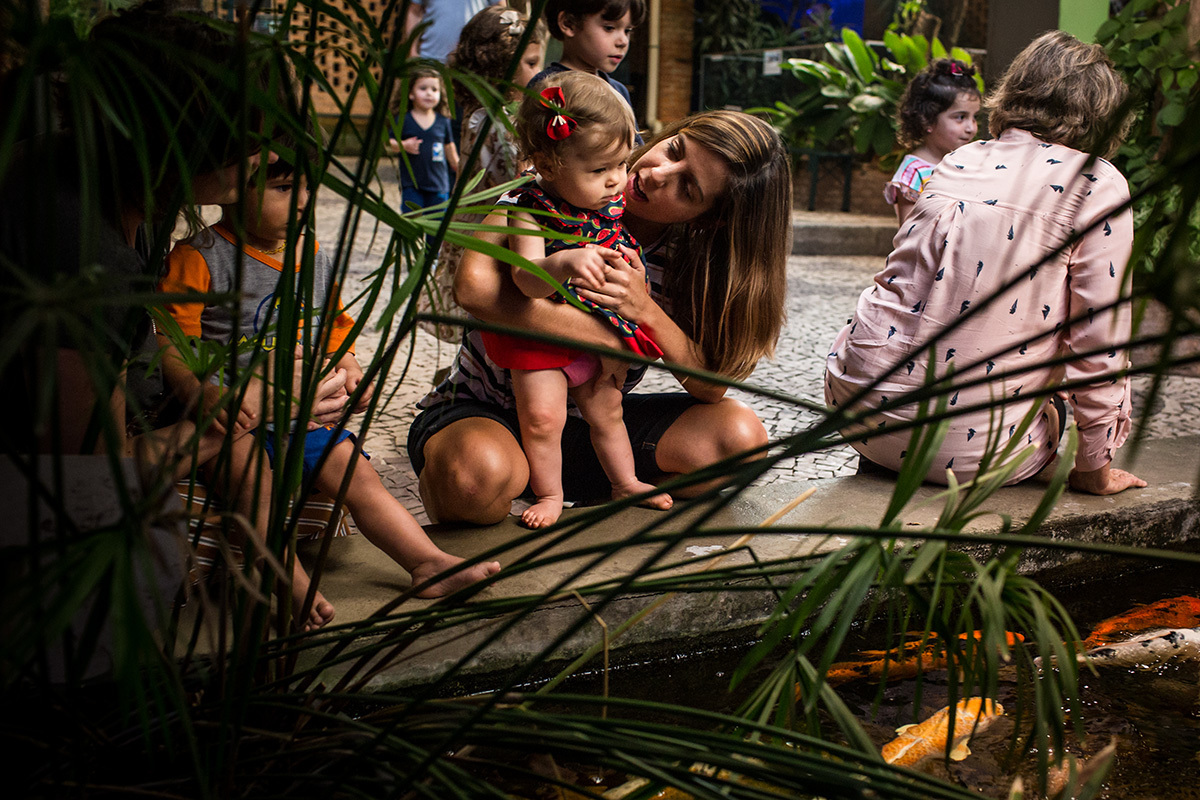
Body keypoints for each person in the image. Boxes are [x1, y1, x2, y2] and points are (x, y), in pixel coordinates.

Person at [158, 152, 501, 627]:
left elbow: (335, 325)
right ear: (235, 188)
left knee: (358, 474)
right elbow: (171, 341)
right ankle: (287, 580)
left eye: (307, 188)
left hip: (302, 413)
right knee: (253, 485)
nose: (302, 201)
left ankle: (427, 563)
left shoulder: (310, 253)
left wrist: (350, 364)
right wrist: (199, 391)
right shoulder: (199, 257)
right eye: (283, 189)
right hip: (235, 418)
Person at [408, 110, 793, 525]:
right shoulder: (553, 186)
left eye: (687, 187)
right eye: (674, 149)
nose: (657, 174)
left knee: (740, 442)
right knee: (473, 477)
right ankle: (497, 480)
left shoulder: (688, 264)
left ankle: (606, 493)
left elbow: (710, 385)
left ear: (710, 218)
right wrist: (611, 338)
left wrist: (642, 309)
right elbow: (474, 289)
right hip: (484, 408)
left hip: (590, 428)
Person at [825, 31, 1146, 497]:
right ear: (1103, 112)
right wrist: (1094, 470)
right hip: (965, 451)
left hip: (854, 410)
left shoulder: (960, 159)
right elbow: (1099, 342)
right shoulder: (1097, 184)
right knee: (1052, 402)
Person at [479, 72, 671, 528]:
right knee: (543, 419)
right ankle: (550, 493)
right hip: (542, 335)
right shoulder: (528, 209)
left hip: (595, 329)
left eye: (621, 164)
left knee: (608, 411)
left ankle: (624, 482)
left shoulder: (610, 205)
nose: (616, 180)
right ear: (548, 166)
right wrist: (564, 261)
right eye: (599, 170)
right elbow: (526, 281)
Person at [421, 3, 547, 343]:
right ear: (501, 67)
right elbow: (507, 180)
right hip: (488, 226)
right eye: (530, 64)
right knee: (487, 300)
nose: (538, 73)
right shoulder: (491, 121)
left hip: (492, 220)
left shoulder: (495, 112)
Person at [529, 0, 646, 144]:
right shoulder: (547, 88)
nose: (623, 41)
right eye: (609, 28)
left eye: (627, 31)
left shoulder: (619, 90)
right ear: (568, 23)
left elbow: (635, 149)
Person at [885, 58, 981, 225]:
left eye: (974, 118)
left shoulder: (970, 164)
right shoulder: (914, 172)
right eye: (960, 117)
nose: (971, 128)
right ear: (927, 120)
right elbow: (909, 233)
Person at [390, 67, 460, 217]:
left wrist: (458, 167)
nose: (429, 93)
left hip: (439, 185)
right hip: (412, 185)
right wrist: (404, 145)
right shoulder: (403, 120)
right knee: (411, 221)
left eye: (434, 89)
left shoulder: (443, 121)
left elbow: (449, 147)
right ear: (410, 93)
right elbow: (389, 143)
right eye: (423, 88)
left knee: (436, 225)